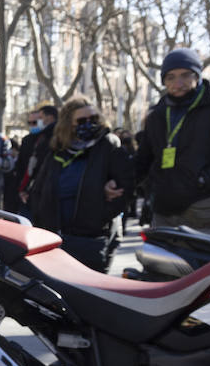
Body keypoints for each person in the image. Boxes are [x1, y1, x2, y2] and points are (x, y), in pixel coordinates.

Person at [136, 47, 210, 236]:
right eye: (171, 77)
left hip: (205, 207)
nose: (178, 83)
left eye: (185, 75)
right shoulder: (158, 114)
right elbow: (143, 160)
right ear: (164, 81)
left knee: (202, 266)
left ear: (198, 75)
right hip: (164, 209)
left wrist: (204, 180)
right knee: (161, 265)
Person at [26, 97, 135, 272]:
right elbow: (39, 188)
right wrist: (40, 218)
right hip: (55, 236)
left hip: (91, 238)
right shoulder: (57, 150)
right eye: (82, 121)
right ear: (69, 124)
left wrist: (100, 217)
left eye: (93, 119)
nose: (89, 124)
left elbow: (126, 186)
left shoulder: (108, 145)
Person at [11, 103, 57, 213]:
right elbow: (22, 166)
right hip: (26, 190)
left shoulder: (52, 139)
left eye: (36, 121)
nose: (32, 125)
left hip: (40, 191)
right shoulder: (28, 140)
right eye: (29, 123)